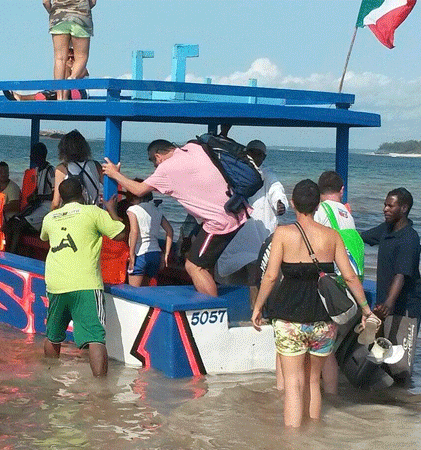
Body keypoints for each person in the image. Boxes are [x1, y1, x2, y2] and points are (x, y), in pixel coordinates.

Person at [251, 179, 375, 428]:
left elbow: (271, 276)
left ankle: (294, 442)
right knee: (311, 381)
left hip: (289, 320)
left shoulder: (283, 234)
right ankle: (315, 438)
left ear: (293, 203)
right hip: (322, 320)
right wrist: (365, 309)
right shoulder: (332, 236)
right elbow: (349, 276)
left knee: (294, 385)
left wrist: (257, 308)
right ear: (318, 204)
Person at [102, 139, 246, 297]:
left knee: (194, 266)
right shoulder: (194, 148)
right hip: (237, 208)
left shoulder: (166, 168)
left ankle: (211, 309)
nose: (155, 166)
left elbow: (138, 190)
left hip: (218, 221)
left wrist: (114, 174)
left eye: (153, 162)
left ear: (158, 156)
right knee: (203, 264)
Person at [40, 177, 125, 377]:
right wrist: (111, 209)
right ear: (83, 193)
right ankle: (100, 390)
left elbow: (44, 237)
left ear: (61, 197)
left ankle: (50, 377)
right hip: (85, 284)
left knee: (53, 335)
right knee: (95, 338)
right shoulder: (93, 212)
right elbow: (120, 234)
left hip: (55, 283)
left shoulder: (50, 217)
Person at [361, 187, 421, 382]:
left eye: (390, 205)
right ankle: (384, 406)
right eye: (385, 204)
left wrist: (388, 303)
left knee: (401, 365)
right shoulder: (386, 231)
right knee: (384, 357)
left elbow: (401, 275)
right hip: (384, 307)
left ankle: (405, 405)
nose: (385, 209)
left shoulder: (409, 238)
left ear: (403, 208)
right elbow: (362, 236)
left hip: (405, 309)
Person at [313, 171, 364, 394]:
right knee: (328, 347)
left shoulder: (320, 211)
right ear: (341, 190)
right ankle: (332, 394)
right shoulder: (347, 212)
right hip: (348, 287)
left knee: (319, 348)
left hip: (328, 286)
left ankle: (316, 392)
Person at [215, 139, 287, 297]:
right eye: (252, 152)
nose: (255, 156)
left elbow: (276, 189)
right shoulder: (233, 170)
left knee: (256, 276)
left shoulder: (267, 175)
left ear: (264, 157)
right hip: (236, 235)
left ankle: (256, 312)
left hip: (259, 235)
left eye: (259, 154)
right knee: (231, 279)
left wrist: (280, 203)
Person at [6, 143, 55, 253]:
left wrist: (38, 197)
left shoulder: (50, 171)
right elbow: (38, 188)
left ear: (39, 155)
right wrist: (32, 196)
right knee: (12, 222)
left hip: (46, 207)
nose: (30, 157)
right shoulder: (38, 170)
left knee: (18, 225)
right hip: (38, 205)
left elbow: (55, 194)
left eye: (32, 154)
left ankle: (12, 253)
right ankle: (7, 250)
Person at [42, 0, 96, 100]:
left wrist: (54, 12)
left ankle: (60, 96)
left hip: (58, 16)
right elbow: (93, 2)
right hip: (81, 16)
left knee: (59, 58)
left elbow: (45, 2)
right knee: (81, 57)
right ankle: (72, 78)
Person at [126, 183, 173, 287]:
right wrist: (166, 254)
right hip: (155, 253)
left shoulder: (133, 210)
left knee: (134, 292)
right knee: (147, 290)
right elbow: (169, 230)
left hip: (140, 253)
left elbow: (134, 231)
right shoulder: (157, 210)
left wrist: (131, 254)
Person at [3, 47, 88, 101]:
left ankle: (21, 98)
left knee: (52, 94)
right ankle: (21, 98)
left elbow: (80, 75)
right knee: (46, 94)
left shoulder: (82, 69)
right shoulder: (62, 70)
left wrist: (70, 71)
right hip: (62, 93)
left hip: (79, 94)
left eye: (72, 58)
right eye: (67, 57)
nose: (70, 60)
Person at [51, 129, 102, 210]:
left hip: (72, 214)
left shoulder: (62, 168)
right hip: (94, 211)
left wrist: (50, 216)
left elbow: (56, 202)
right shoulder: (96, 165)